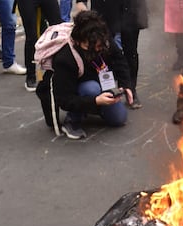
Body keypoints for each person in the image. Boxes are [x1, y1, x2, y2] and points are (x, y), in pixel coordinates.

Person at [39, 10, 133, 140]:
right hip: (79, 88)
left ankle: (92, 107)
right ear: (78, 41)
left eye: (99, 45)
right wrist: (95, 100)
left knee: (119, 119)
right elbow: (64, 99)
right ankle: (72, 121)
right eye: (91, 46)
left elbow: (119, 59)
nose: (97, 49)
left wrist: (125, 85)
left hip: (100, 79)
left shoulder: (101, 39)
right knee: (91, 88)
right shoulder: (66, 58)